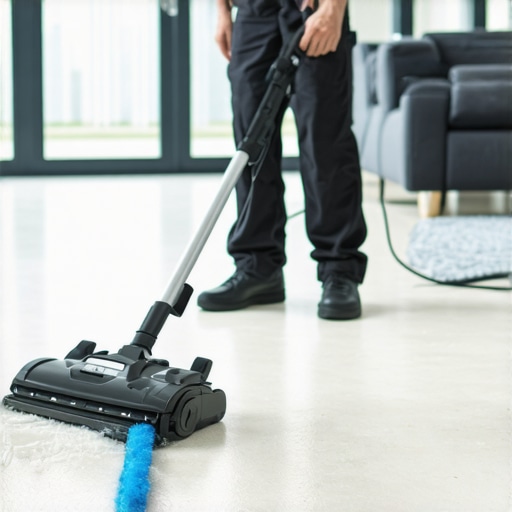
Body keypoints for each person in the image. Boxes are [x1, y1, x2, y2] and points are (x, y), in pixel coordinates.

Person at [197, 0, 367, 320]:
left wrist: (334, 8)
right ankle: (258, 268)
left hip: (313, 8)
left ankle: (339, 270)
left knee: (325, 142)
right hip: (252, 12)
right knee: (251, 144)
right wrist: (222, 12)